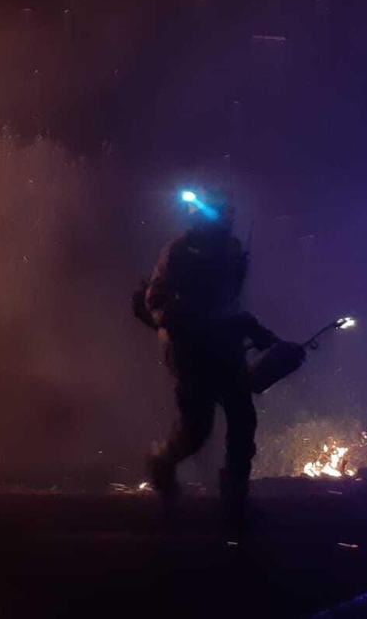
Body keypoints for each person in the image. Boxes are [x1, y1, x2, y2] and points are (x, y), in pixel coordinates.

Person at [133, 188, 281, 528]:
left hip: (226, 350)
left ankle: (235, 499)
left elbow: (231, 304)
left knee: (243, 421)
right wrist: (181, 322)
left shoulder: (231, 252)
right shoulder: (179, 252)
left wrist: (251, 329)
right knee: (196, 431)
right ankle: (163, 464)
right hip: (192, 352)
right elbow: (156, 299)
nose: (226, 221)